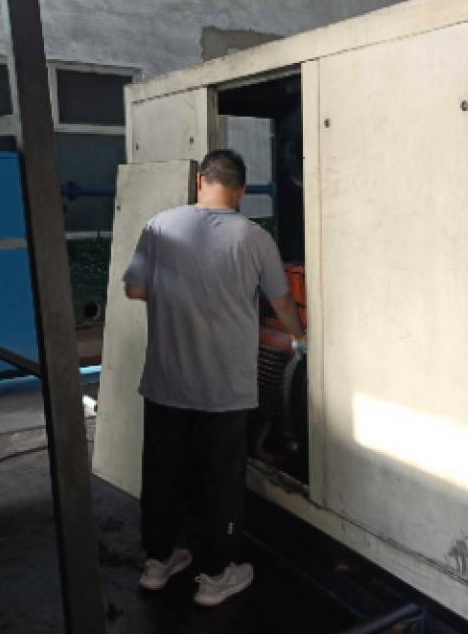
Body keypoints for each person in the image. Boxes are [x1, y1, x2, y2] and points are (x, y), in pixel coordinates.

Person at [123, 149, 306, 607]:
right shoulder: (255, 237)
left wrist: (181, 295)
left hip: (166, 382)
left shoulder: (159, 226)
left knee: (163, 473)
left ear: (201, 181)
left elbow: (135, 288)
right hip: (225, 388)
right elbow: (283, 303)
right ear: (241, 191)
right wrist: (301, 338)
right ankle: (216, 576)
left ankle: (158, 562)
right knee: (220, 479)